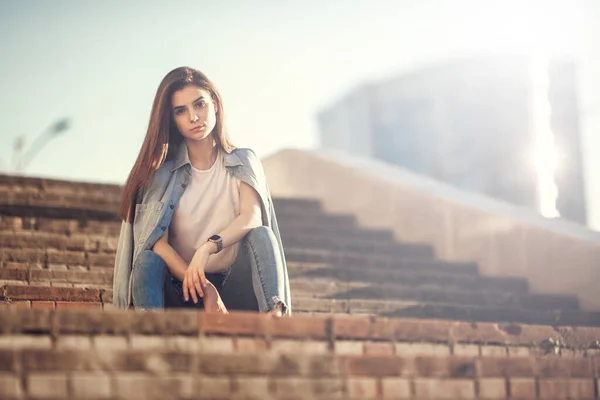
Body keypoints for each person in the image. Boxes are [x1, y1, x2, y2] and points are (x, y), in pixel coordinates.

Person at [112, 66, 291, 316]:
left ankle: (275, 322)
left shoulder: (244, 161)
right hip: (183, 287)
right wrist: (205, 288)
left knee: (261, 235)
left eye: (199, 104)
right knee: (146, 261)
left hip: (235, 287)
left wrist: (206, 250)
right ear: (172, 119)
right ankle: (149, 337)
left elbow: (251, 218)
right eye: (181, 111)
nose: (194, 117)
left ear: (215, 103)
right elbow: (158, 244)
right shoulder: (161, 174)